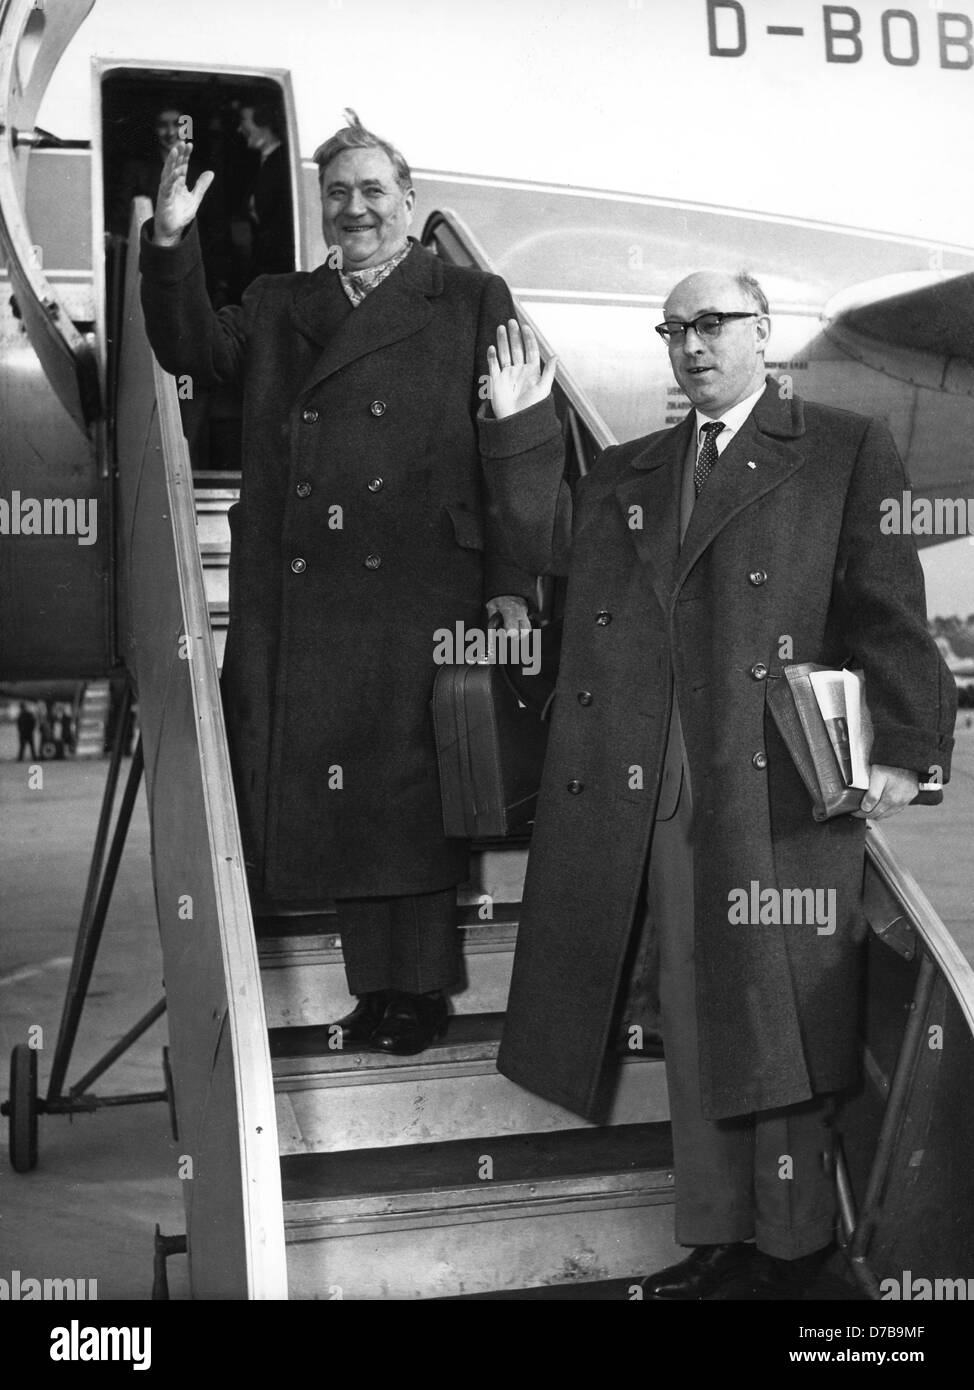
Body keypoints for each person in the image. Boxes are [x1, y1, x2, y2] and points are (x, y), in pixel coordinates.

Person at [478, 272, 956, 1299]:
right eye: (673, 330)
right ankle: (715, 1233)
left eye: (711, 325)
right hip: (655, 787)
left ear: (760, 331)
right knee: (695, 1018)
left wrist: (902, 748)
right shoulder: (631, 467)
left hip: (774, 790)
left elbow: (885, 607)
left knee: (777, 1015)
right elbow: (545, 545)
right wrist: (519, 429)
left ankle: (792, 1243)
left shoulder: (835, 445)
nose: (690, 346)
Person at [139, 114, 534, 1055]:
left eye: (371, 191)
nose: (354, 209)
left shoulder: (472, 297)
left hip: (423, 585)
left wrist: (514, 582)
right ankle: (379, 989)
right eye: (338, 194)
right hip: (311, 590)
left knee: (411, 795)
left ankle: (422, 989)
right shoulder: (280, 301)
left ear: (408, 200)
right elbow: (191, 347)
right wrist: (170, 241)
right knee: (354, 796)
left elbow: (516, 440)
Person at [237, 103, 295, 277]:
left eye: (243, 121)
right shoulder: (261, 162)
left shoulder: (284, 163)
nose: (239, 129)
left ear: (264, 122)